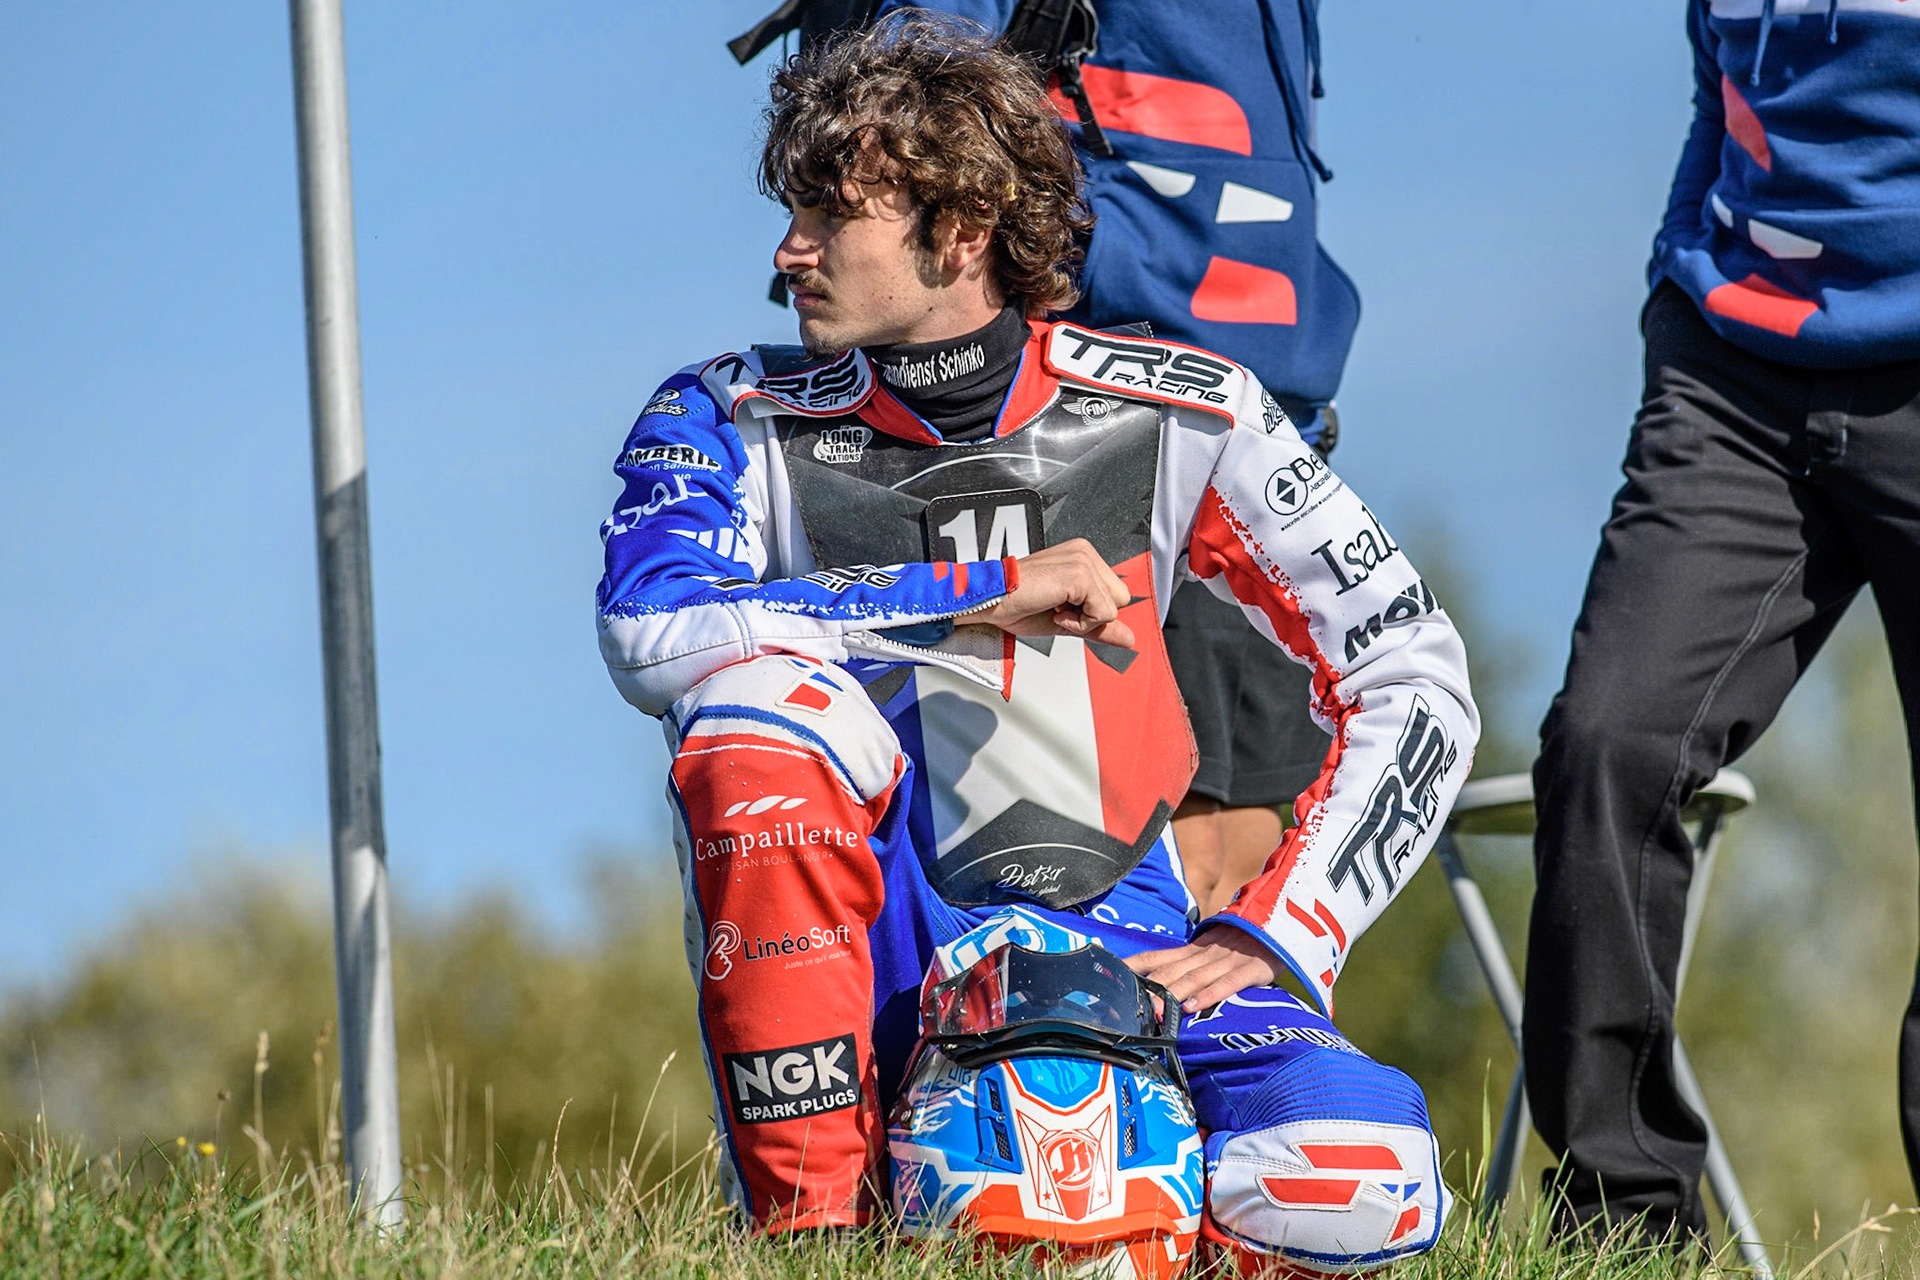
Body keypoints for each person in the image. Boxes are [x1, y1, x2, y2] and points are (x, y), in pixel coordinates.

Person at [596, 14, 1478, 1266]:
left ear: (961, 230)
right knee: (751, 719)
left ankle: (1149, 1202)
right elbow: (647, 627)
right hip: (885, 976)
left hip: (1138, 957)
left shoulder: (1184, 405)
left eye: (832, 215)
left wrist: (1281, 928)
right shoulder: (730, 411)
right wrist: (977, 593)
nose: (788, 252)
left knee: (1356, 1178)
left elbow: (1414, 668)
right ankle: (816, 1233)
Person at [728, 0, 1360, 919]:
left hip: (1259, 406)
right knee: (1127, 861)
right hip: (1075, 436)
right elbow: (899, 111)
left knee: (1240, 861)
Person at [1524, 0, 1920, 1244]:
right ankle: (1623, 1226)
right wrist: (1675, 281)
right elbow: (1724, 75)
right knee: (1607, 741)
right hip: (1735, 376)